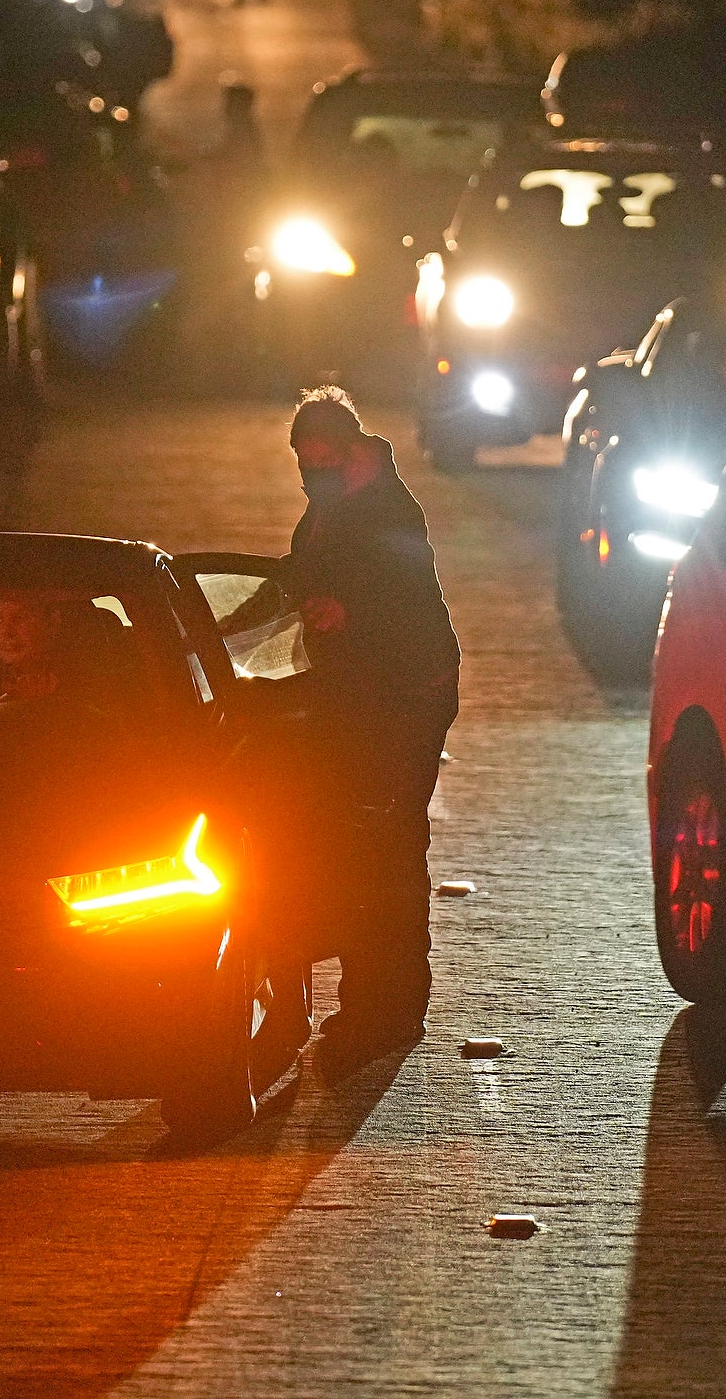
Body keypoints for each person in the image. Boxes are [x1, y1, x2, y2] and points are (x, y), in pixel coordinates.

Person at [281, 387, 461, 1054]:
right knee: (366, 853)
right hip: (363, 699)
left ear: (352, 449)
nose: (311, 474)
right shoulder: (334, 505)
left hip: (404, 700)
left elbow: (409, 609)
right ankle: (371, 1005)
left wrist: (348, 615)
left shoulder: (389, 512)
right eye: (303, 463)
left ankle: (389, 1011)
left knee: (387, 855)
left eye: (321, 460)